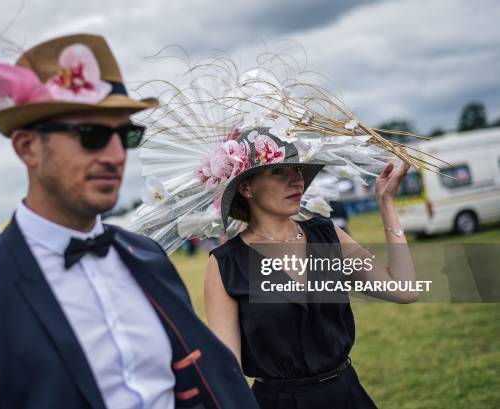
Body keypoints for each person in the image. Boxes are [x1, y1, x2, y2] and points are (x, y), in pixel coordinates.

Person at [0, 34, 258, 409]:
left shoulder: (146, 255)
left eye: (125, 134)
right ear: (27, 147)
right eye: (92, 134)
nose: (116, 155)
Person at [128, 56, 431, 409]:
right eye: (279, 171)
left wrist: (387, 205)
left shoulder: (326, 236)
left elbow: (404, 290)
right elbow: (227, 370)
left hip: (348, 396)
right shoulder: (227, 265)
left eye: (298, 169)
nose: (296, 179)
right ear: (246, 187)